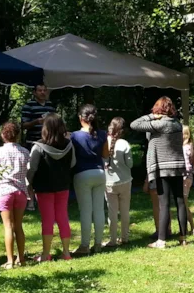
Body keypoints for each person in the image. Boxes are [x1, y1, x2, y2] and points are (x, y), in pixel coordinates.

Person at [131, 97, 187, 249]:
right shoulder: (178, 124)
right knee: (180, 201)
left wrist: (152, 117)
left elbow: (134, 124)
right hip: (178, 167)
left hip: (162, 169)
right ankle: (183, 238)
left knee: (164, 204)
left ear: (158, 109)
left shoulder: (158, 125)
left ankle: (161, 241)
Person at [27, 114, 76, 262]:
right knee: (63, 217)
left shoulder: (38, 147)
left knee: (47, 220)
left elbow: (31, 169)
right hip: (63, 186)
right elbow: (73, 164)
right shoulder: (69, 145)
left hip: (43, 188)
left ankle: (46, 254)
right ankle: (67, 253)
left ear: (45, 128)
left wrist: (28, 184)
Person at [70, 104, 109, 255]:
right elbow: (105, 155)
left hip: (82, 173)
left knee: (85, 211)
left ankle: (84, 245)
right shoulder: (102, 134)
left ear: (81, 118)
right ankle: (98, 243)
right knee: (99, 209)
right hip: (99, 173)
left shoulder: (74, 136)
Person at [0, 122, 30, 269]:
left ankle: (9, 260)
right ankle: (22, 259)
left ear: (3, 135)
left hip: (4, 191)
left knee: (8, 226)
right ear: (18, 135)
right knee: (18, 226)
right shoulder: (25, 152)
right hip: (20, 191)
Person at [104, 117, 133, 247]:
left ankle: (112, 239)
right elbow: (130, 164)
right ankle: (125, 237)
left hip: (109, 182)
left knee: (112, 212)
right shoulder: (124, 144)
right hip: (125, 181)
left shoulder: (103, 142)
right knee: (125, 211)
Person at [20, 83, 56, 148]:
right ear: (34, 92)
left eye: (44, 90)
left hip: (48, 141)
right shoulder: (28, 106)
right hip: (33, 142)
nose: (43, 92)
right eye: (40, 90)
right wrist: (35, 122)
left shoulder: (50, 105)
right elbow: (23, 126)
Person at [182, 126, 194, 235]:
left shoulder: (183, 147)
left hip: (183, 176)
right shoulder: (192, 147)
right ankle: (189, 227)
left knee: (184, 203)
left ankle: (192, 227)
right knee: (184, 202)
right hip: (190, 177)